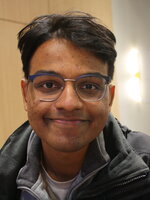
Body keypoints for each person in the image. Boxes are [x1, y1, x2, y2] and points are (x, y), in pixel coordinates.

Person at [0, 11, 150, 200]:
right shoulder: (4, 174)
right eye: (49, 85)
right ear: (26, 95)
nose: (69, 103)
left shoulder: (145, 169)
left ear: (109, 98)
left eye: (89, 86)